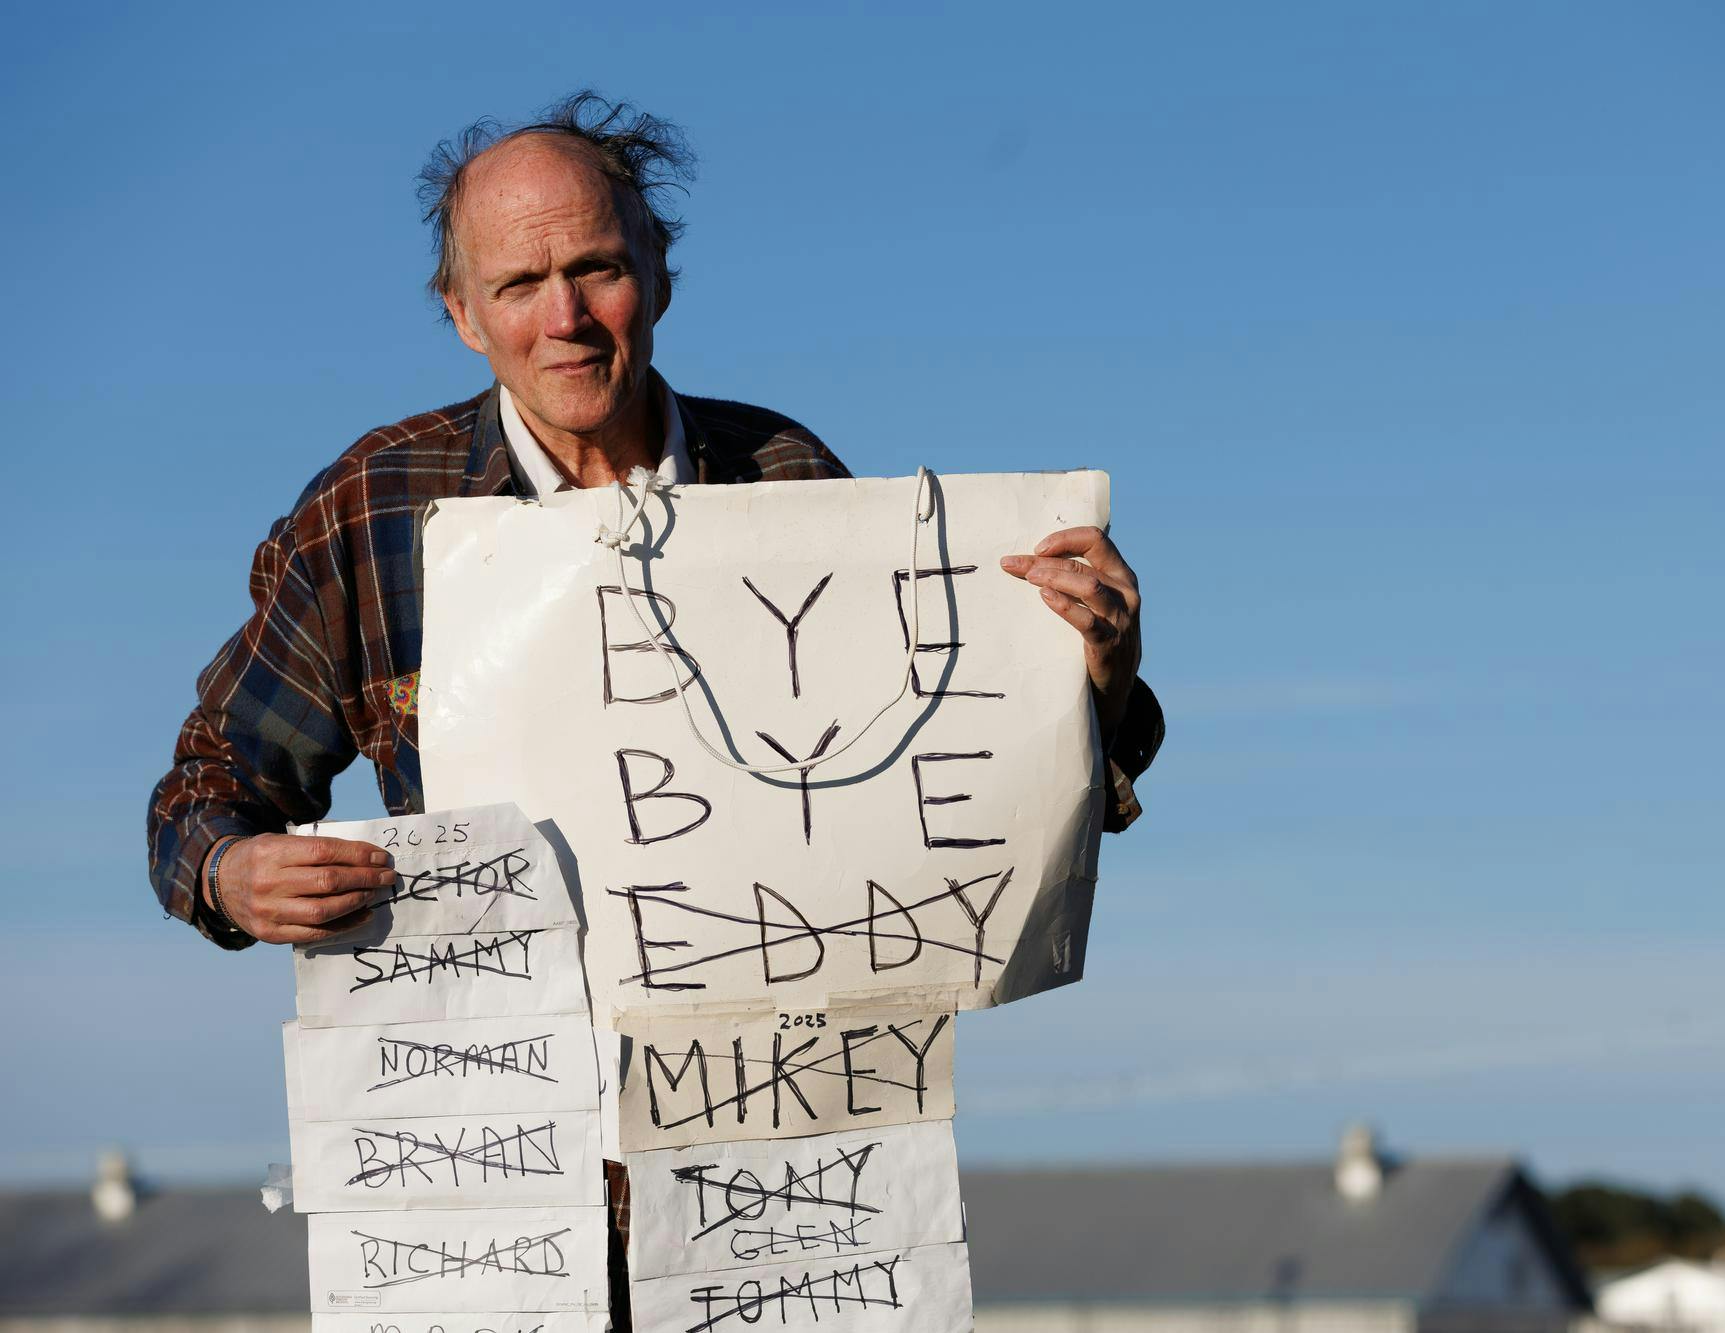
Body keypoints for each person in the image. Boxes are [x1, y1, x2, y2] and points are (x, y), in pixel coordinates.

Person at [145, 88, 1161, 1319]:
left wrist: (1089, 682)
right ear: (462, 315)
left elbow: (934, 792)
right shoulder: (372, 509)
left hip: (780, 1185)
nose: (564, 317)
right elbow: (206, 784)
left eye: (597, 269)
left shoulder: (785, 480)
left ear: (660, 276)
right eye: (520, 284)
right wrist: (231, 870)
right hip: (488, 1184)